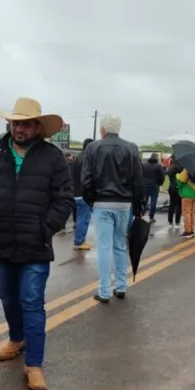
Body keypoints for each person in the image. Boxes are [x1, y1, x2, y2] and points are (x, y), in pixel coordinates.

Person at [0, 97, 73, 390]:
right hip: (0, 241)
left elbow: (64, 198)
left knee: (31, 301)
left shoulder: (52, 157)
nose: (19, 128)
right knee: (8, 298)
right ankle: (16, 339)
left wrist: (46, 228)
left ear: (37, 127)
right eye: (15, 123)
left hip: (35, 244)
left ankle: (34, 364)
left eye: (26, 123)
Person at [82, 114, 142, 302]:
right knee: (120, 245)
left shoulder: (93, 148)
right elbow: (138, 181)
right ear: (119, 129)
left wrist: (91, 200)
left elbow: (86, 179)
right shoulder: (131, 148)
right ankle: (122, 286)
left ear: (103, 130)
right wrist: (138, 205)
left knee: (104, 248)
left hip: (101, 202)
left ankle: (104, 291)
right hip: (124, 204)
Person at [71, 138, 93, 250]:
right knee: (83, 218)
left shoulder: (78, 157)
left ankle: (80, 240)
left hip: (75, 192)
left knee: (81, 217)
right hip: (83, 193)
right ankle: (79, 241)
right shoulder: (87, 158)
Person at [175, 169, 195, 239]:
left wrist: (177, 175)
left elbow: (180, 181)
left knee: (186, 213)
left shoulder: (187, 169)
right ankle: (191, 230)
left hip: (187, 193)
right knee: (192, 213)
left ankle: (187, 231)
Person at [142, 153, 165, 223]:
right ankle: (151, 216)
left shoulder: (144, 165)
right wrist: (159, 183)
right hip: (155, 185)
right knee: (153, 201)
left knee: (144, 201)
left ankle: (142, 215)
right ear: (156, 158)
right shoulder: (158, 166)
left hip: (145, 185)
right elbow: (162, 176)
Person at [166, 154, 182, 228]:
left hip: (171, 187)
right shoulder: (180, 167)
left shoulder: (170, 167)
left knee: (171, 205)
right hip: (178, 188)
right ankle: (177, 222)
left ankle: (170, 222)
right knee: (179, 205)